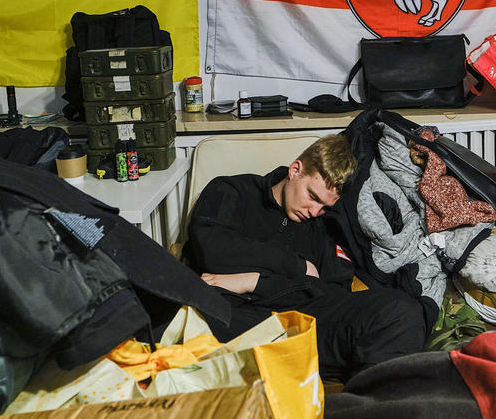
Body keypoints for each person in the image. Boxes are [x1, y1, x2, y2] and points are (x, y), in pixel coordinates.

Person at [183, 134, 427, 381]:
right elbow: (212, 251)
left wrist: (254, 281)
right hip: (233, 319)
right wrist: (297, 266)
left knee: (403, 311)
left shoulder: (323, 225)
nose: (314, 212)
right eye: (312, 196)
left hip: (299, 327)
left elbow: (330, 292)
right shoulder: (231, 191)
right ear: (295, 170)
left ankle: (360, 406)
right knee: (174, 319)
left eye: (324, 206)